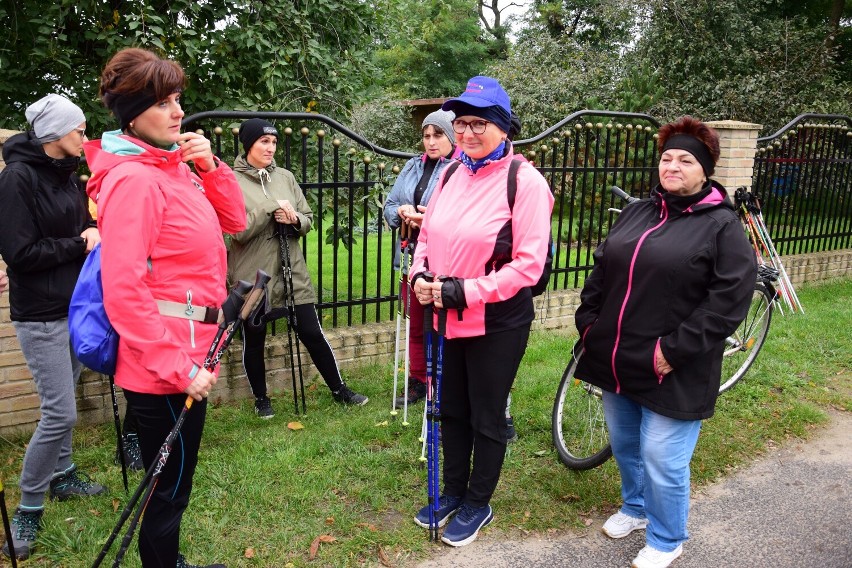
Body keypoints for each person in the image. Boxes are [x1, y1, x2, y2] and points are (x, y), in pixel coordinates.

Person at [85, 47, 246, 568]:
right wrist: (179, 368)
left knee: (173, 483)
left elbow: (236, 220)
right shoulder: (135, 180)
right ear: (133, 114)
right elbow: (124, 290)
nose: (179, 111)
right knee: (166, 490)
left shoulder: (173, 168)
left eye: (178, 99)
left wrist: (209, 163)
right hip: (164, 366)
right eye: (163, 102)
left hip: (190, 352)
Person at [573, 116, 757, 568]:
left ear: (705, 169)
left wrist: (671, 351)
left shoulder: (722, 226)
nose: (672, 165)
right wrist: (589, 322)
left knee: (662, 456)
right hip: (617, 352)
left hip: (674, 362)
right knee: (627, 443)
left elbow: (728, 301)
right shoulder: (639, 211)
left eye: (686, 159)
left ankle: (667, 536)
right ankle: (635, 509)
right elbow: (603, 267)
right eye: (667, 157)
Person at [409, 76, 554, 547]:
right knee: (449, 408)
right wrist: (419, 275)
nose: (468, 133)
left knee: (485, 415)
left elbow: (529, 266)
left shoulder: (525, 181)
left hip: (496, 320)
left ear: (503, 126)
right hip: (444, 315)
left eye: (479, 123)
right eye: (462, 123)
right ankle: (452, 491)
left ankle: (477, 501)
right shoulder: (451, 172)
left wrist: (464, 292)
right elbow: (427, 236)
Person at [0, 94, 106, 560]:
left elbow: (84, 225)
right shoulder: (17, 179)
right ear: (54, 134)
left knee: (69, 389)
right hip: (40, 312)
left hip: (76, 306)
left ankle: (62, 473)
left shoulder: (68, 177)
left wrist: (92, 233)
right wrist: (78, 245)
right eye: (80, 129)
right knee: (60, 412)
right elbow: (20, 254)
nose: (86, 136)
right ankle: (28, 506)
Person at [228, 118, 368, 418]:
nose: (271, 147)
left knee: (311, 332)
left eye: (274, 142)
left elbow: (307, 218)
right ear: (248, 144)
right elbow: (236, 230)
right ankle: (261, 399)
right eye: (264, 141)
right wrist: (269, 209)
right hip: (254, 275)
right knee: (254, 339)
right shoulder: (231, 181)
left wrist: (293, 220)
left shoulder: (286, 177)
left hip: (292, 271)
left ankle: (339, 388)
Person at [383, 109, 458, 408]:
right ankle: (418, 380)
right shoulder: (413, 166)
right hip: (409, 256)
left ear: (452, 137)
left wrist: (428, 219)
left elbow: (456, 214)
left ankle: (443, 380)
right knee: (416, 322)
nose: (430, 141)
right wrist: (400, 213)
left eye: (438, 135)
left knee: (439, 322)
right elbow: (390, 204)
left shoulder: (458, 170)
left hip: (442, 260)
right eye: (426, 135)